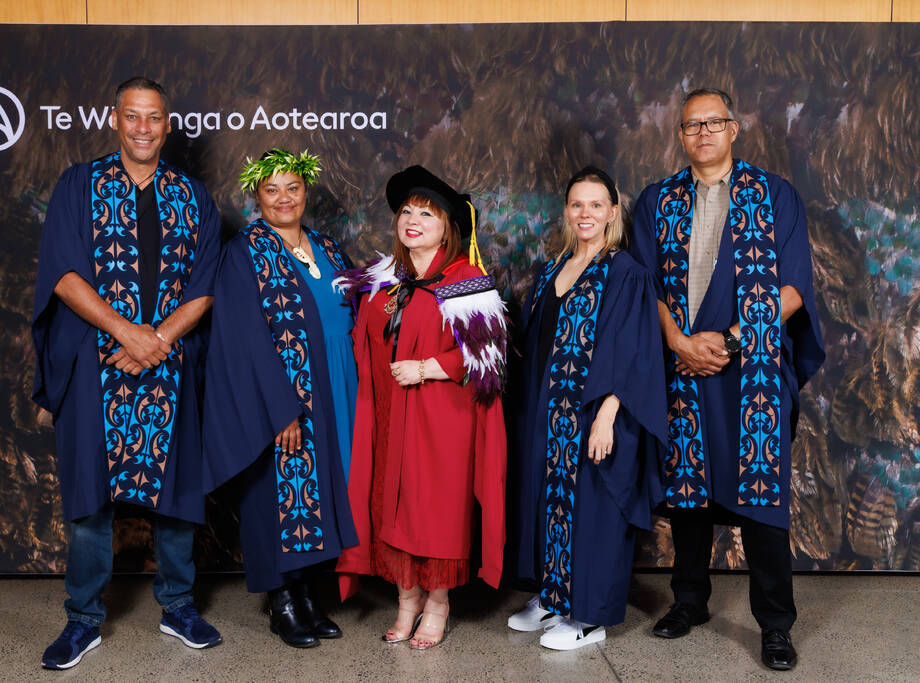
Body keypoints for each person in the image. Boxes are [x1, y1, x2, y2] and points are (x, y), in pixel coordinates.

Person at [629, 88, 825, 671]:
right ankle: (689, 601)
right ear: (681, 136)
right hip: (683, 367)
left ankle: (775, 625)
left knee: (762, 500)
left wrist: (731, 340)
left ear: (733, 129)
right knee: (687, 491)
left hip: (752, 373)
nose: (703, 133)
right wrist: (679, 342)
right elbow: (645, 287)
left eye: (714, 122)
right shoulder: (657, 201)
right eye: (692, 126)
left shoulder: (773, 196)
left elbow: (793, 288)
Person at [31, 77, 223, 669]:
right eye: (133, 117)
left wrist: (157, 339)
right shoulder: (79, 185)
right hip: (96, 365)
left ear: (168, 125)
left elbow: (205, 289)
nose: (143, 128)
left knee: (177, 497)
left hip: (168, 365)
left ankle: (179, 606)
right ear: (116, 120)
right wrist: (128, 333)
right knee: (90, 499)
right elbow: (62, 275)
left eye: (154, 118)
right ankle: (84, 618)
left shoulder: (193, 197)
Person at [333, 165, 508, 650]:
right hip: (387, 415)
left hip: (439, 420)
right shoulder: (382, 279)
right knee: (389, 504)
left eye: (425, 214)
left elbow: (488, 359)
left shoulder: (465, 280)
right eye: (406, 212)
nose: (412, 220)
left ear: (447, 226)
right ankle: (405, 601)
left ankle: (437, 604)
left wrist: (429, 367)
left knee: (433, 512)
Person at [201, 149, 358, 649]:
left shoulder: (329, 248)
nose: (284, 198)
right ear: (257, 197)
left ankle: (309, 593)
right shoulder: (244, 253)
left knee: (323, 492)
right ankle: (282, 601)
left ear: (305, 191)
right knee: (279, 494)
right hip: (284, 396)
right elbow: (244, 337)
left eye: (292, 187)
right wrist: (279, 408)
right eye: (272, 190)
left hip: (334, 387)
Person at [506, 167, 667, 650]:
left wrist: (606, 417)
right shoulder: (554, 268)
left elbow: (634, 350)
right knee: (551, 504)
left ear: (613, 212)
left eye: (596, 205)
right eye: (577, 204)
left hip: (596, 416)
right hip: (549, 416)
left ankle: (590, 616)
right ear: (567, 211)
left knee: (595, 513)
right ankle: (556, 596)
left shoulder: (625, 273)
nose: (586, 214)